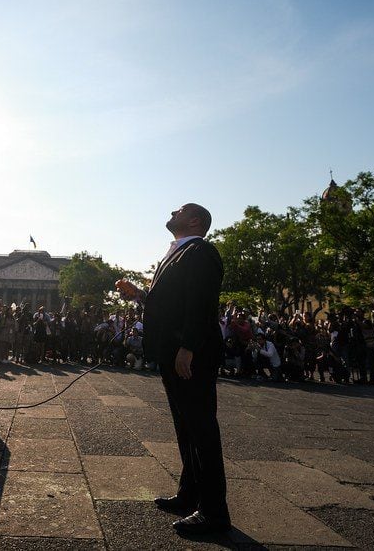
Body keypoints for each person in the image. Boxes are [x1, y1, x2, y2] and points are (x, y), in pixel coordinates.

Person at [119, 203, 230, 536]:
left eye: (179, 210)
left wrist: (189, 346)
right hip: (172, 352)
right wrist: (139, 294)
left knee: (201, 430)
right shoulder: (176, 254)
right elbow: (169, 303)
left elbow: (202, 303)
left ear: (194, 220)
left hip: (189, 354)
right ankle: (189, 495)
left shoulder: (200, 252)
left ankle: (214, 512)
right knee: (186, 428)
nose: (172, 212)